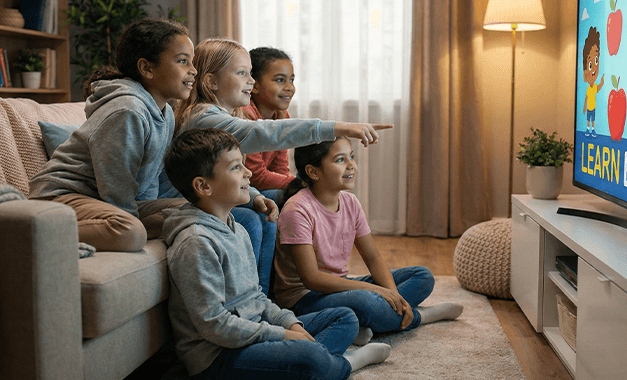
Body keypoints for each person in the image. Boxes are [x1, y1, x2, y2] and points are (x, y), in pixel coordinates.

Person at [162, 37, 392, 294]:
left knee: (266, 207)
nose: (251, 81)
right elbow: (263, 135)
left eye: (251, 74)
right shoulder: (205, 116)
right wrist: (338, 128)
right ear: (212, 82)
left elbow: (231, 175)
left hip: (206, 196)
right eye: (242, 74)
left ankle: (280, 289)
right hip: (187, 202)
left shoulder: (226, 114)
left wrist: (254, 195)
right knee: (255, 217)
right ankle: (262, 295)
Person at [161, 128, 391, 380]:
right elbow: (215, 326)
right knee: (309, 358)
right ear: (203, 186)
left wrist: (290, 324)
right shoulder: (195, 242)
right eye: (236, 167)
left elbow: (256, 297)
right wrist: (283, 336)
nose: (249, 173)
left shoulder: (237, 229)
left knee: (345, 318)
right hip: (217, 356)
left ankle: (309, 365)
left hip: (253, 333)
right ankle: (345, 363)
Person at [273, 137, 464, 344]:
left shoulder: (350, 202)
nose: (351, 165)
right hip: (305, 298)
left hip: (341, 286)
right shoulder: (297, 210)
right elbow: (312, 279)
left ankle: (368, 322)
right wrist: (376, 290)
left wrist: (392, 295)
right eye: (340, 160)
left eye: (352, 157)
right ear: (313, 172)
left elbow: (373, 258)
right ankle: (422, 316)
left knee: (423, 276)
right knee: (366, 301)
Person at [29, 18, 196, 252]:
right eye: (182, 61)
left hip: (102, 202)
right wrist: (132, 221)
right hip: (61, 198)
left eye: (192, 62)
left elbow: (146, 181)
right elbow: (115, 186)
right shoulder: (127, 110)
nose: (193, 70)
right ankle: (29, 232)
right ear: (147, 68)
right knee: (130, 232)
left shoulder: (165, 112)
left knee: (198, 211)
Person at [241, 46, 297, 199]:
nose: (289, 88)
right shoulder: (245, 115)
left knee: (299, 196)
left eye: (291, 80)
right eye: (280, 80)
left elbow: (280, 169)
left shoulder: (282, 116)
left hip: (257, 187)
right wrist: (301, 183)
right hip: (240, 188)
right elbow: (256, 176)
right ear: (254, 85)